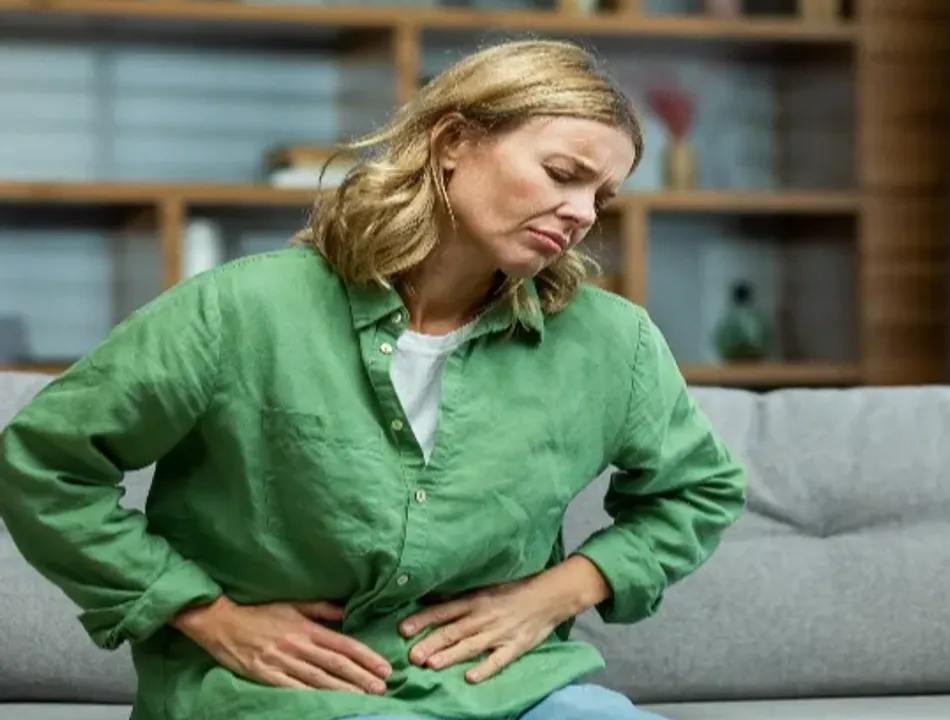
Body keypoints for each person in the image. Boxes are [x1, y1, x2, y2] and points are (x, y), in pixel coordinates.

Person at [0, 39, 748, 720]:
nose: (582, 213)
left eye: (602, 197)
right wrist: (204, 615)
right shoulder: (241, 309)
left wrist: (563, 589)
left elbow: (701, 488)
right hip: (282, 698)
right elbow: (44, 464)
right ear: (453, 143)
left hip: (510, 687)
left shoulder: (612, 341)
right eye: (563, 175)